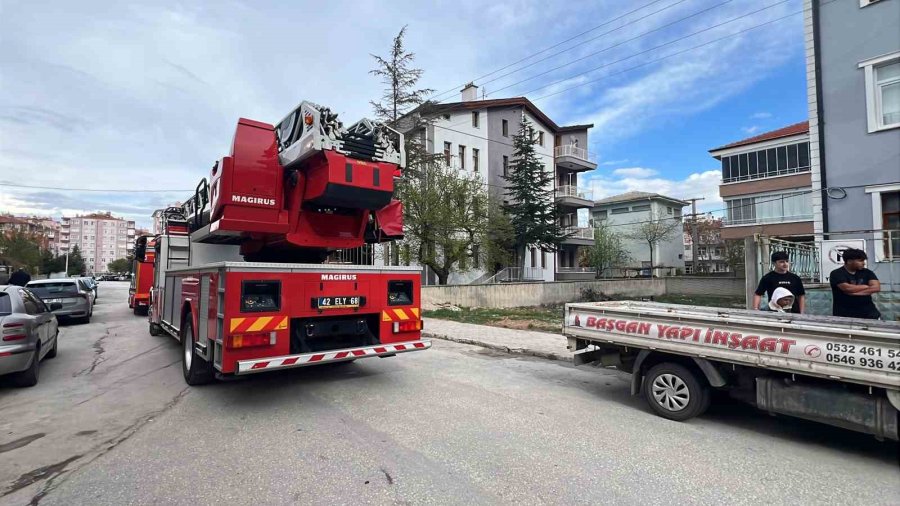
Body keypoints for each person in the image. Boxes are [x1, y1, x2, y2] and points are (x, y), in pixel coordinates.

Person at [829, 248, 881, 319]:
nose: (863, 263)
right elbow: (848, 288)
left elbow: (876, 288)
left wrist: (855, 293)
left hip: (870, 313)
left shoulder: (867, 272)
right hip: (845, 315)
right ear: (849, 261)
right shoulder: (837, 273)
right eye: (860, 261)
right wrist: (866, 286)